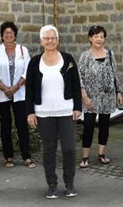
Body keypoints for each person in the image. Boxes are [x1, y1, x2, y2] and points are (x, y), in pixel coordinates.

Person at [26, 25, 82, 199]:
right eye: (46, 38)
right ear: (41, 41)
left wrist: (78, 107)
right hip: (43, 112)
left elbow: (75, 84)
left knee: (69, 149)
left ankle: (69, 183)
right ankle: (52, 185)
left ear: (58, 40)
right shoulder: (35, 62)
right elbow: (29, 89)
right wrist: (30, 112)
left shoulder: (68, 59)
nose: (50, 41)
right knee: (49, 150)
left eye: (53, 38)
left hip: (66, 111)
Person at [0, 21, 35, 169]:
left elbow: (28, 71)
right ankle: (8, 156)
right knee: (5, 126)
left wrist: (15, 88)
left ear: (15, 34)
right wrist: (4, 88)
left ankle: (26, 156)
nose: (8, 35)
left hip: (20, 93)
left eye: (11, 32)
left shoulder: (23, 50)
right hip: (2, 94)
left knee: (22, 125)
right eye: (5, 33)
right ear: (2, 35)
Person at [78, 25, 123, 168]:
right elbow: (80, 78)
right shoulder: (85, 56)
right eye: (96, 36)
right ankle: (85, 157)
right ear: (90, 38)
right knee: (89, 125)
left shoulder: (110, 54)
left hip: (107, 96)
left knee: (104, 125)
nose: (99, 39)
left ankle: (101, 154)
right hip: (91, 97)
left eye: (101, 36)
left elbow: (115, 74)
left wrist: (118, 92)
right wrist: (84, 97)